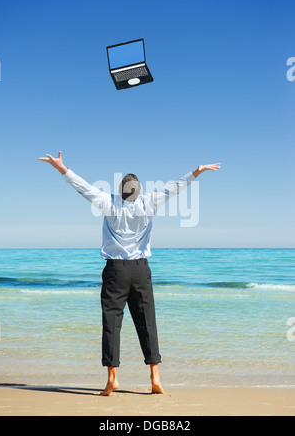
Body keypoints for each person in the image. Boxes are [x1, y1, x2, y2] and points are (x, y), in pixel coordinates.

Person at [39, 151, 221, 395]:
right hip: (140, 269)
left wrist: (62, 168)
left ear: (122, 189)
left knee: (112, 323)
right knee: (147, 322)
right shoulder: (149, 202)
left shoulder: (109, 202)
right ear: (139, 190)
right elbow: (175, 187)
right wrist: (197, 170)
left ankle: (112, 378)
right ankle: (155, 375)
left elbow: (82, 187)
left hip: (115, 271)